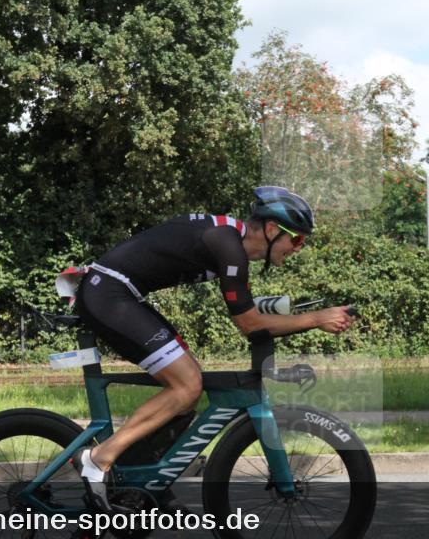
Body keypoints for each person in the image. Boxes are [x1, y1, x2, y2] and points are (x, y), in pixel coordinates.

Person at [68, 186, 356, 512]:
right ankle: (98, 459)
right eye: (298, 240)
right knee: (187, 383)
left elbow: (252, 316)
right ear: (274, 230)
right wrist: (316, 318)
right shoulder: (228, 246)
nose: (298, 248)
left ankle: (139, 482)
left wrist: (299, 319)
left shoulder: (231, 243)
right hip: (109, 294)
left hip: (118, 292)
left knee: (189, 379)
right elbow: (249, 324)